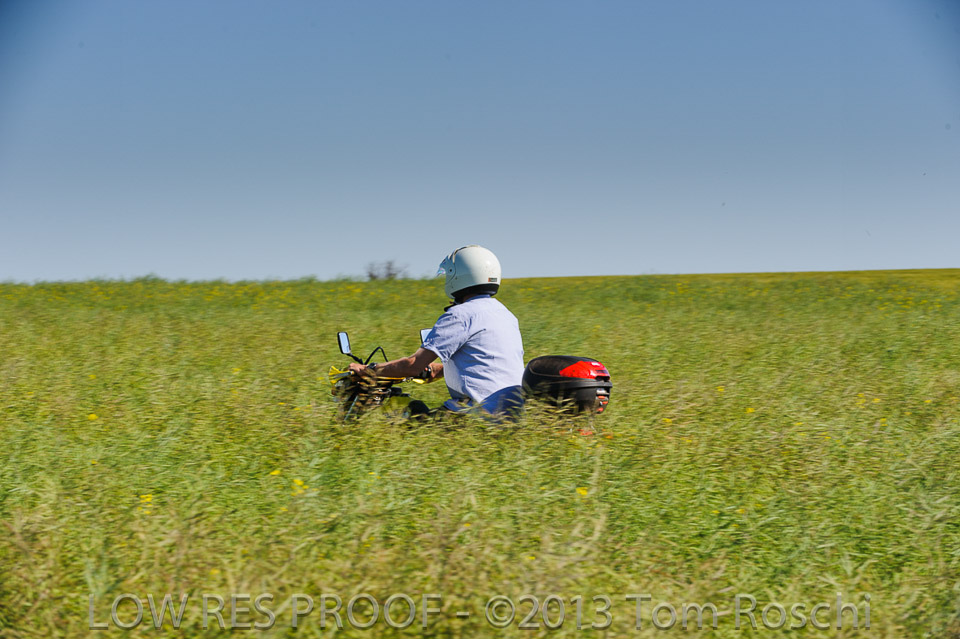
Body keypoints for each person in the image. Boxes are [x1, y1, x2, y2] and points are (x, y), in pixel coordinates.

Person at [348, 245, 525, 419]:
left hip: (476, 415)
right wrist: (438, 370)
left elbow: (412, 365)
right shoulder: (505, 314)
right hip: (512, 414)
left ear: (459, 276)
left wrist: (368, 370)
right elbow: (486, 362)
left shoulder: (460, 315)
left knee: (407, 412)